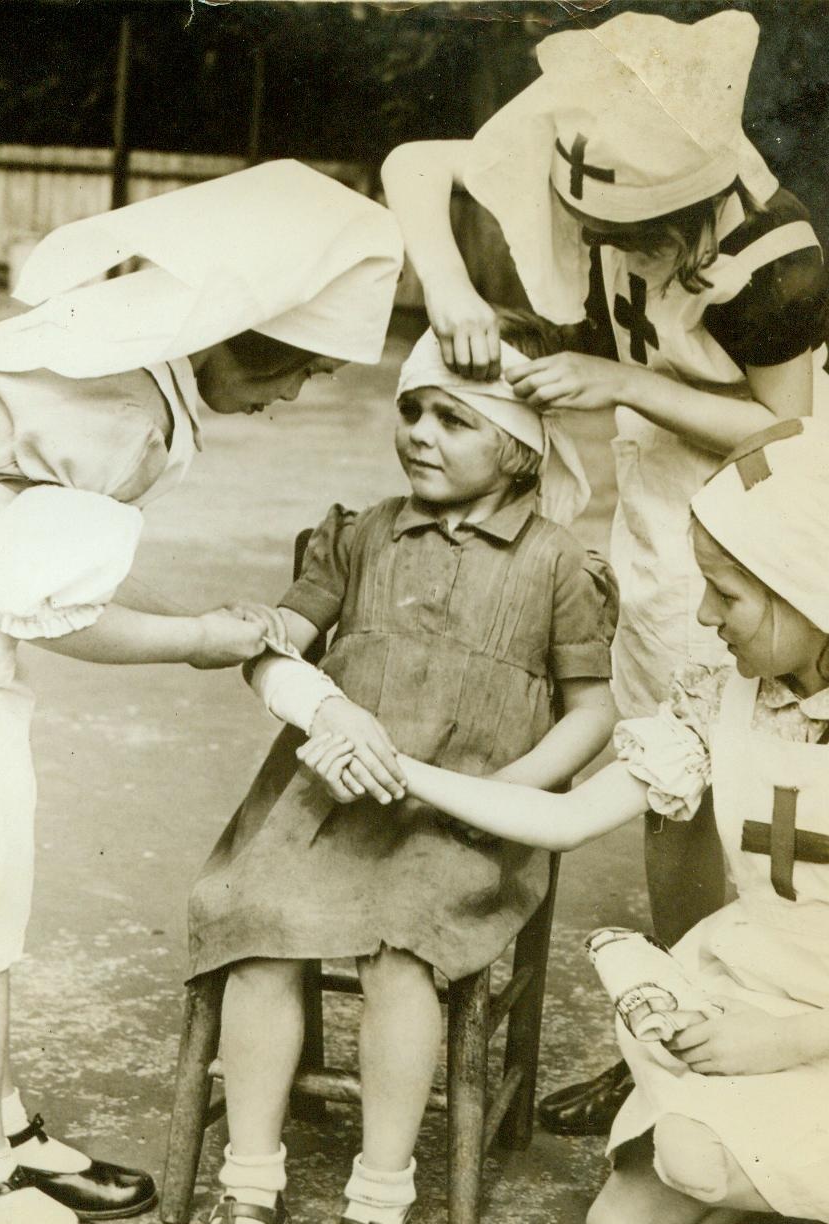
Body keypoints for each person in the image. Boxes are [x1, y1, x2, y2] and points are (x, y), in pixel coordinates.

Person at [381, 7, 829, 1131]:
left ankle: (803, 1028)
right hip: (661, 502)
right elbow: (417, 165)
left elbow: (785, 437)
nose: (630, 253)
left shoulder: (775, 258)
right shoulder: (593, 135)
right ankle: (671, 1014)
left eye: (655, 234)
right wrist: (450, 291)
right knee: (676, 767)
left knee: (793, 771)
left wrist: (623, 386)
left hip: (781, 499)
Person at [306, 418, 829, 1224]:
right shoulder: (726, 694)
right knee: (629, 1205)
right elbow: (569, 817)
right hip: (751, 998)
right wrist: (403, 772)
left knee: (697, 1158)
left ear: (812, 589)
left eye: (730, 594)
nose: (709, 617)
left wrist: (782, 1046)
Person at [0, 160, 404, 1224]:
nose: (292, 398)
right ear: (236, 337)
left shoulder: (106, 344)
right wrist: (200, 640)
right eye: (292, 373)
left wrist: (209, 623)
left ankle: (0, 1119)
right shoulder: (125, 412)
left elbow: (63, 555)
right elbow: (63, 615)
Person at [186, 314, 619, 1224]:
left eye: (453, 419)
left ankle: (381, 1190)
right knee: (255, 926)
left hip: (464, 819)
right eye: (412, 410)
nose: (419, 432)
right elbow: (273, 651)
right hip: (325, 804)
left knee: (402, 951)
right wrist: (322, 710)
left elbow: (593, 711)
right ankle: (248, 1180)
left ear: (520, 449)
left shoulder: (558, 564)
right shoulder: (360, 535)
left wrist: (507, 796)